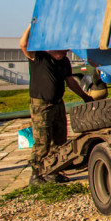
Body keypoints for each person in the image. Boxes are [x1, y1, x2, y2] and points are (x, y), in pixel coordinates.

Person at [19, 22, 93, 185]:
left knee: (59, 139)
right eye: (62, 51)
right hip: (41, 105)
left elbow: (70, 81)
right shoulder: (39, 57)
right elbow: (23, 44)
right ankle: (37, 174)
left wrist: (84, 96)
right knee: (43, 141)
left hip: (58, 103)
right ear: (53, 48)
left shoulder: (64, 62)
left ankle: (53, 171)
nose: (65, 53)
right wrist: (31, 26)